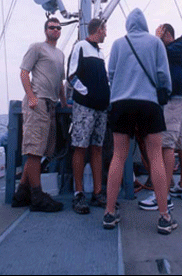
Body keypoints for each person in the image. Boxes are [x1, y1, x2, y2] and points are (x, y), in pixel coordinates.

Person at [103, 8, 178, 235]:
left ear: (127, 25)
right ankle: (164, 216)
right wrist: (162, 98)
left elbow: (111, 74)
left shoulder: (117, 44)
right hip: (149, 104)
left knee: (118, 156)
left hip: (121, 103)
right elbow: (163, 75)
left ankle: (108, 213)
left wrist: (117, 94)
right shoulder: (155, 44)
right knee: (155, 157)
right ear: (145, 24)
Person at [12, 17, 67, 212]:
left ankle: (21, 193)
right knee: (34, 151)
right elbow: (24, 73)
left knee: (40, 150)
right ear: (46, 30)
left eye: (58, 28)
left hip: (50, 105)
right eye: (52, 27)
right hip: (37, 103)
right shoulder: (37, 47)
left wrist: (64, 102)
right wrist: (31, 97)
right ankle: (37, 196)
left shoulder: (60, 54)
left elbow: (60, 82)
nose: (56, 30)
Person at [138, 23, 182, 212]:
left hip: (174, 101)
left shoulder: (172, 49)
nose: (156, 38)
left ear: (167, 34)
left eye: (158, 34)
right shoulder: (181, 50)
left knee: (166, 145)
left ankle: (163, 194)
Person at [68, 19, 110, 214]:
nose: (106, 34)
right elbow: (71, 75)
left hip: (101, 108)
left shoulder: (100, 53)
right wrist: (87, 93)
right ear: (98, 30)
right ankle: (78, 194)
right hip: (85, 107)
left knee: (97, 148)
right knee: (80, 148)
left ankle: (98, 192)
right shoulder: (81, 47)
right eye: (105, 30)